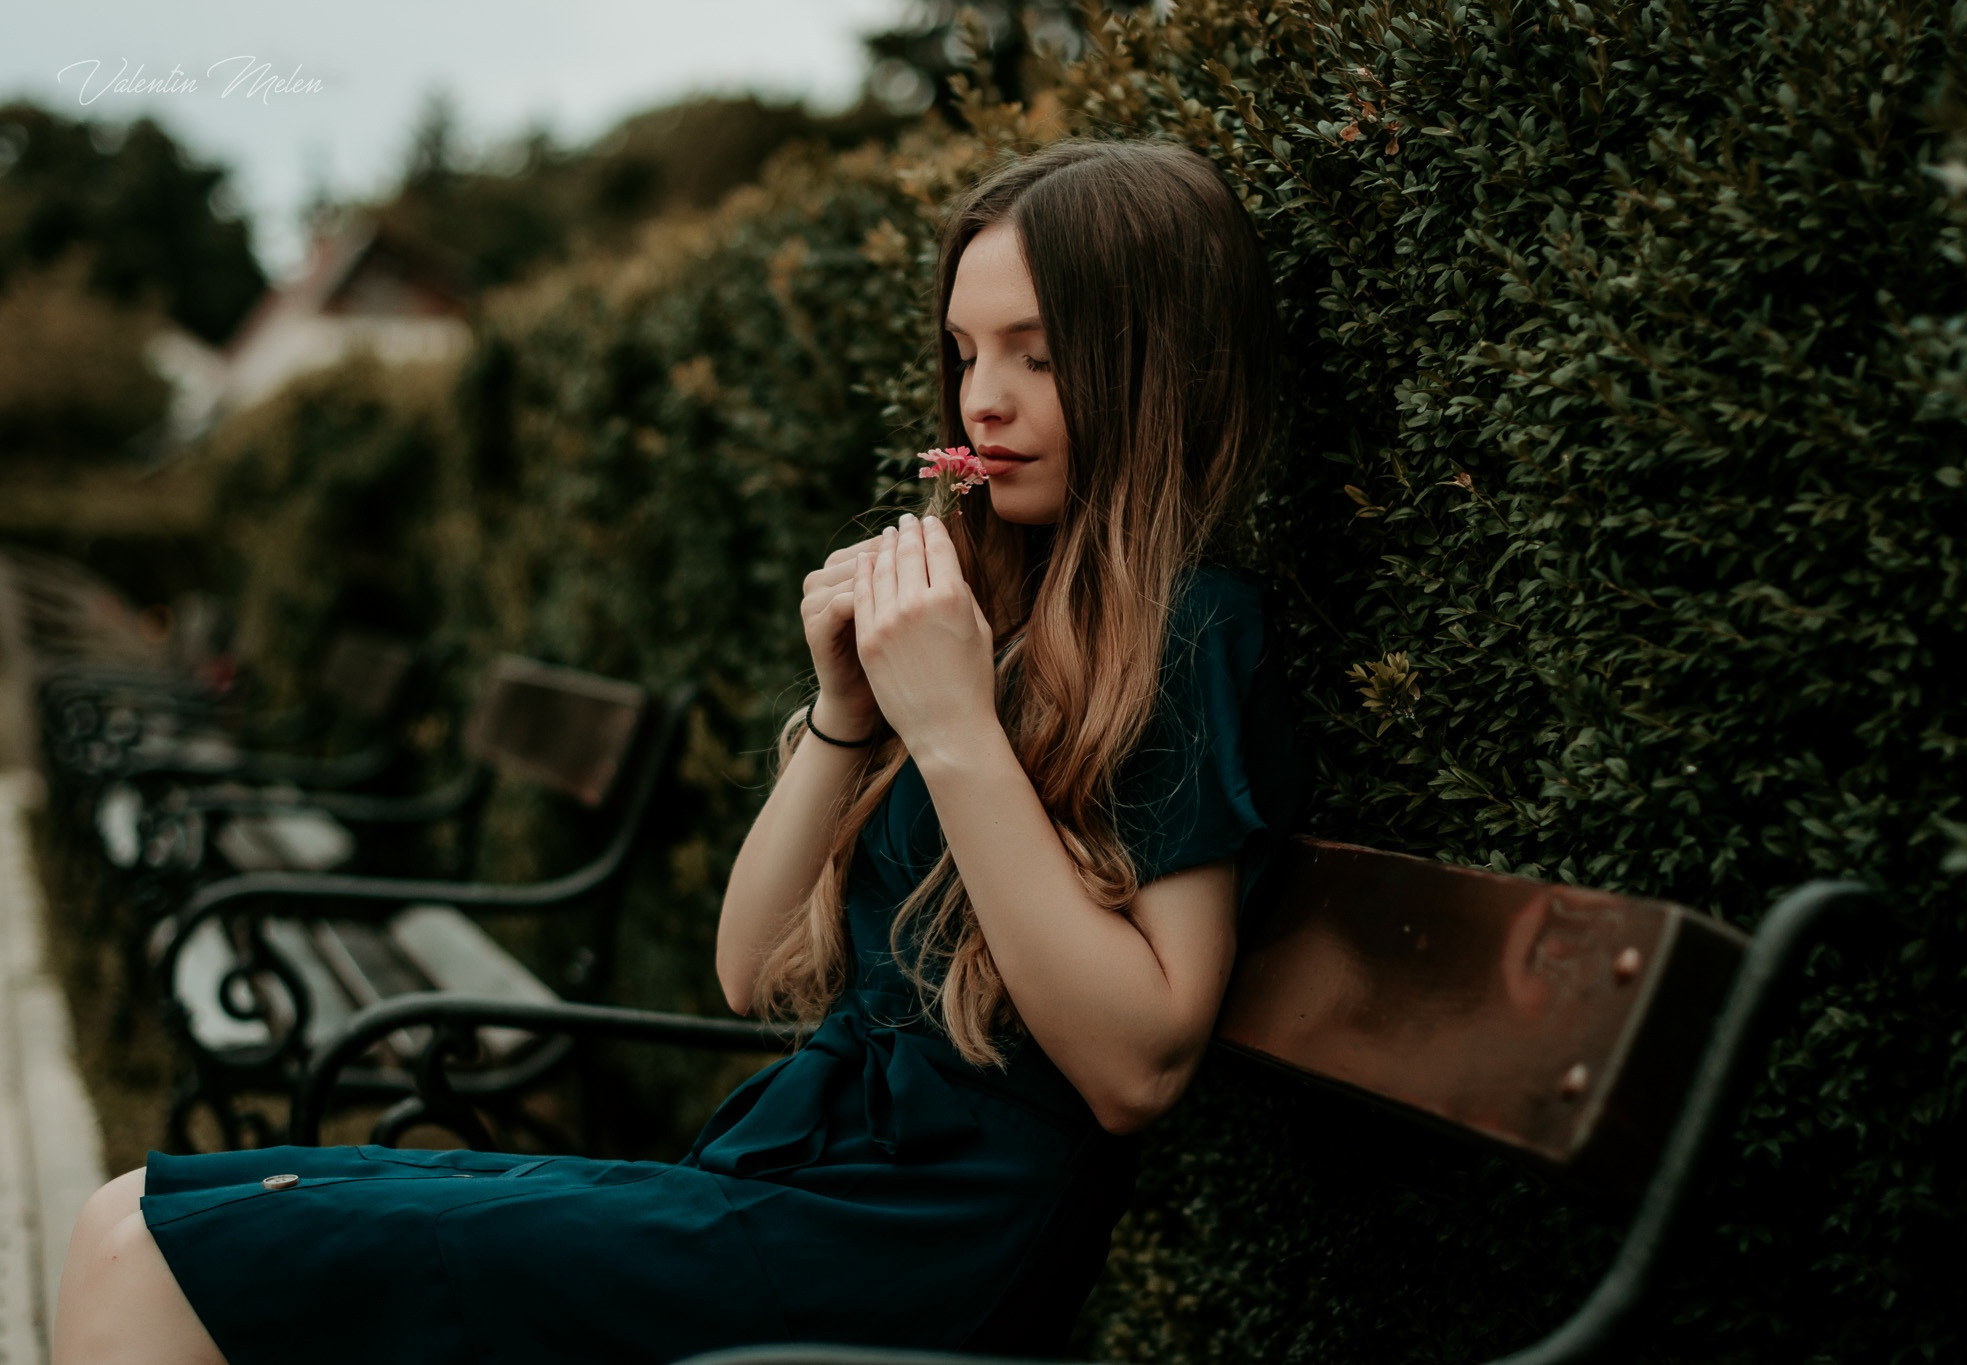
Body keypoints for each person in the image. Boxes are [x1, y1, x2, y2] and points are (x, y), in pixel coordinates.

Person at [52, 137, 1304, 1365]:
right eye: (966, 352)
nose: (982, 398)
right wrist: (847, 713)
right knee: (120, 1216)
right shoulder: (981, 621)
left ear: (1156, 368)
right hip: (788, 1183)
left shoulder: (1186, 633)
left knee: (156, 1262)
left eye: (1036, 355)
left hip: (907, 1258)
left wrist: (954, 728)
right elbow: (749, 966)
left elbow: (1140, 1067)